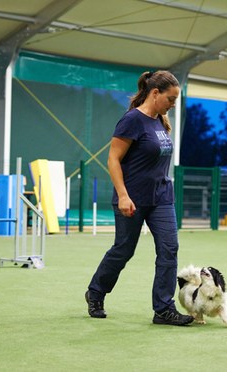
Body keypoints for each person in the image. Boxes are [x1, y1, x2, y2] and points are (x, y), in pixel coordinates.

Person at [85, 70, 194, 326]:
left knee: (169, 249)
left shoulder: (160, 121)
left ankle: (163, 309)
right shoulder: (132, 120)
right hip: (132, 198)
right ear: (155, 93)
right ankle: (96, 292)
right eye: (170, 99)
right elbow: (113, 159)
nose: (173, 104)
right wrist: (123, 195)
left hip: (162, 198)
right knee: (124, 250)